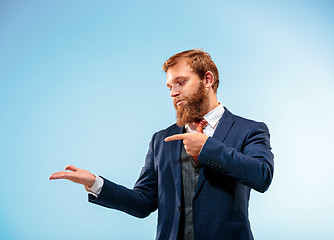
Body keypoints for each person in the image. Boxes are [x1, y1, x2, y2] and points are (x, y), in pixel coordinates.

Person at [49, 49, 274, 240]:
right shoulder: (161, 140)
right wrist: (96, 184)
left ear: (207, 80)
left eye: (181, 82)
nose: (174, 92)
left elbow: (262, 176)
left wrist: (207, 148)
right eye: (169, 87)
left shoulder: (250, 130)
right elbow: (143, 202)